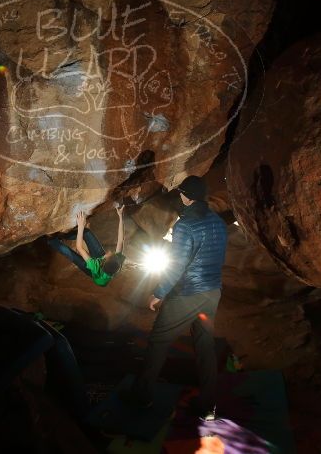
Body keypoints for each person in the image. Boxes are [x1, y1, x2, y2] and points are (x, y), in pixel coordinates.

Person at [126, 175, 227, 419]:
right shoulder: (217, 221)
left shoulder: (185, 225)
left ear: (186, 196)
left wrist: (158, 292)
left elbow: (178, 265)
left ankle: (141, 398)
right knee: (205, 347)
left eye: (181, 193)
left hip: (188, 293)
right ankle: (208, 406)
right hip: (212, 292)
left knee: (158, 342)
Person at [47, 205, 126, 286]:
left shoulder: (94, 266)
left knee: (72, 255)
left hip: (92, 272)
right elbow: (120, 241)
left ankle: (52, 241)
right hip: (102, 260)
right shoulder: (117, 261)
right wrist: (120, 217)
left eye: (110, 254)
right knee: (87, 233)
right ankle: (63, 235)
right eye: (113, 254)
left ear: (103, 262)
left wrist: (81, 226)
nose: (109, 251)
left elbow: (79, 248)